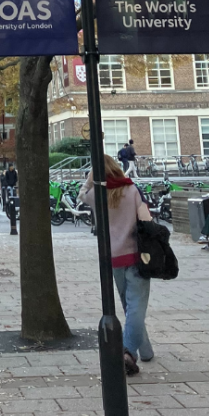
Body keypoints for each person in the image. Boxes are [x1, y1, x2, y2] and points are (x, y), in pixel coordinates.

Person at [80, 155, 154, 376]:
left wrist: (90, 179)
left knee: (130, 307)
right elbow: (147, 219)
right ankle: (128, 352)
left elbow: (81, 196)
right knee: (136, 307)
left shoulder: (96, 194)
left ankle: (146, 351)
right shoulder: (132, 191)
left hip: (113, 258)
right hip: (137, 255)